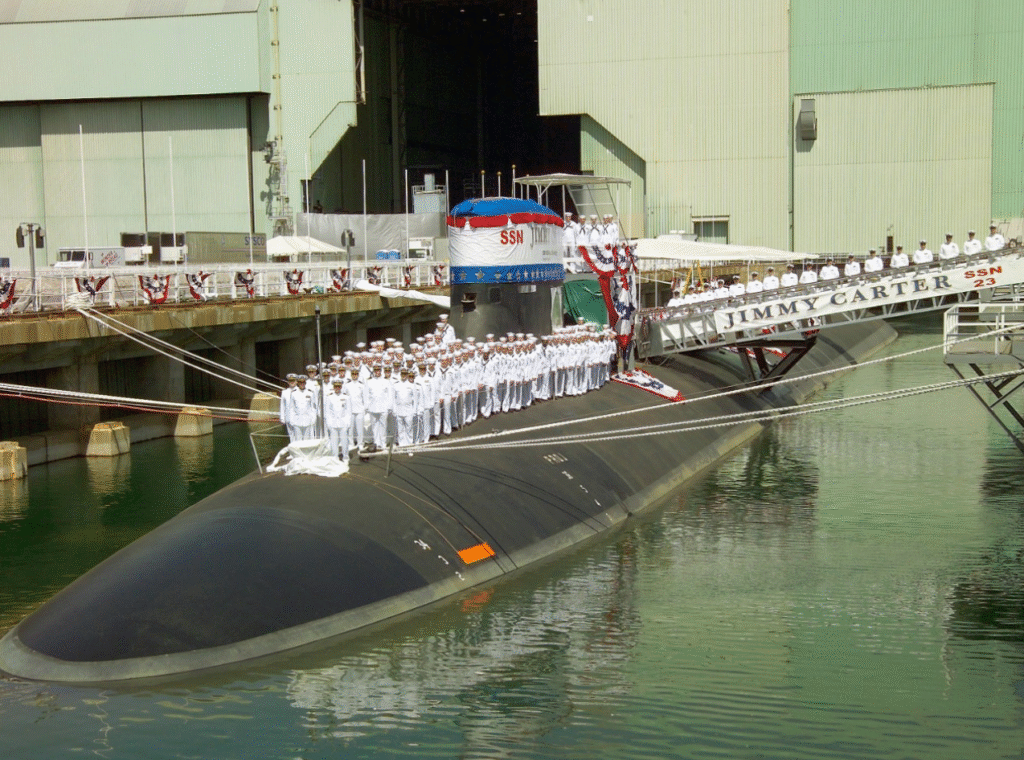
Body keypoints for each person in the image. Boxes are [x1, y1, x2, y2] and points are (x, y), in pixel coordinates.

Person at [324, 378, 352, 463]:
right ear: (333, 387)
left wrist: (348, 423)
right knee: (334, 442)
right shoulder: (329, 397)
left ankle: (345, 457)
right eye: (336, 386)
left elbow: (348, 411)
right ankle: (335, 457)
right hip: (333, 423)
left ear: (341, 387)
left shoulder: (346, 397)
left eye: (339, 386)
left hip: (343, 423)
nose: (337, 388)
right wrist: (328, 423)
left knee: (344, 441)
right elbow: (327, 412)